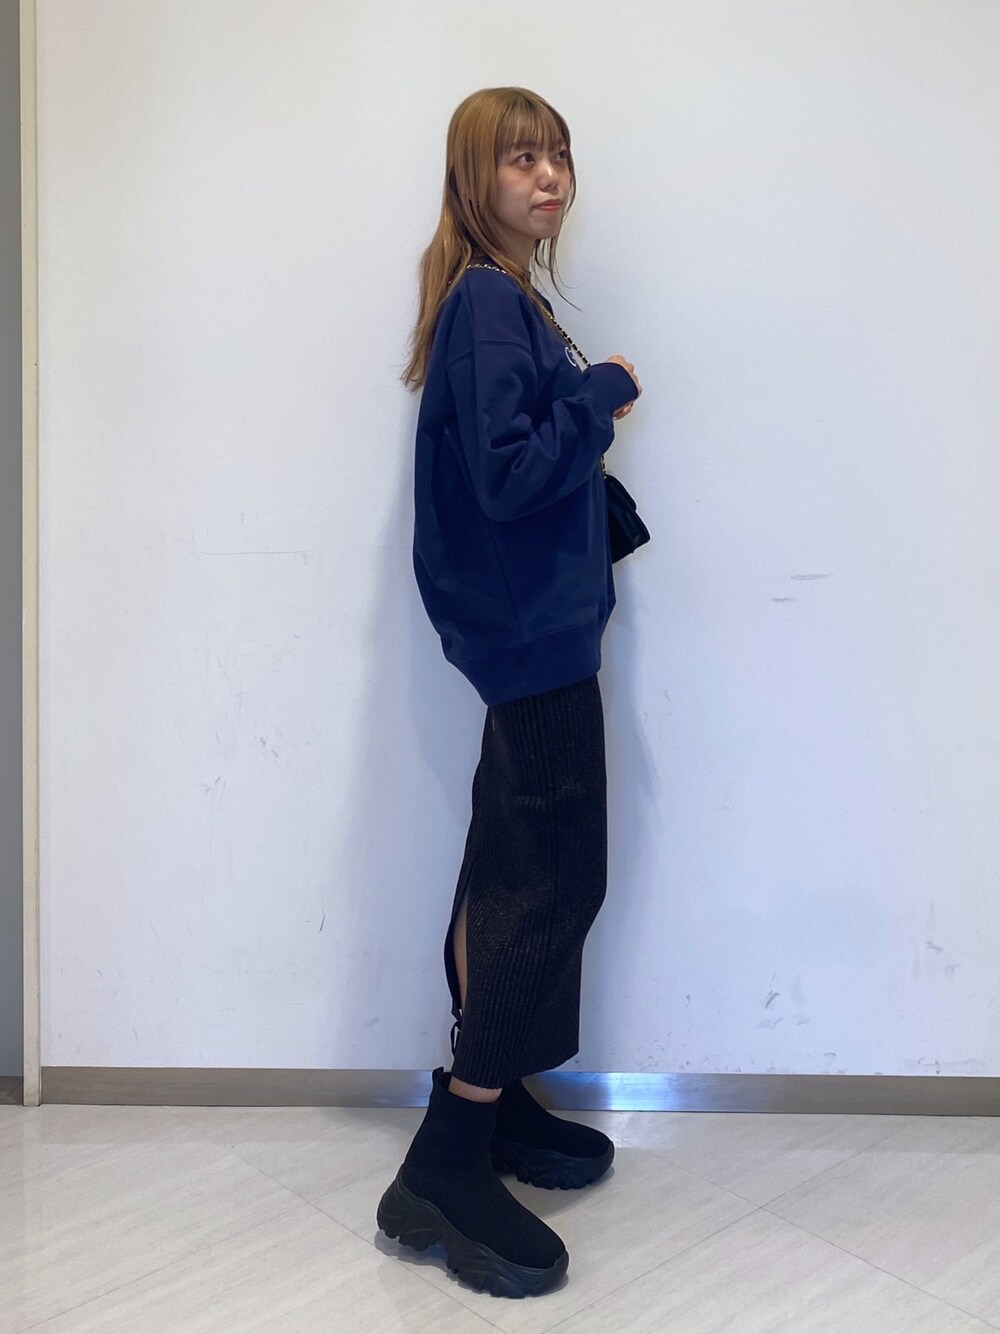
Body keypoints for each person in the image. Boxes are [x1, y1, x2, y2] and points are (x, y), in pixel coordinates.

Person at [377, 86, 642, 1299]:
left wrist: (581, 404)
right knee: (551, 881)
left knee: (509, 865)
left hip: (533, 636)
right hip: (532, 642)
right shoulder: (491, 303)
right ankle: (445, 1159)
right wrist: (597, 397)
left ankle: (492, 1105)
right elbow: (507, 472)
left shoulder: (501, 299)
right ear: (472, 178)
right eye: (520, 158)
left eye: (558, 157)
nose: (549, 177)